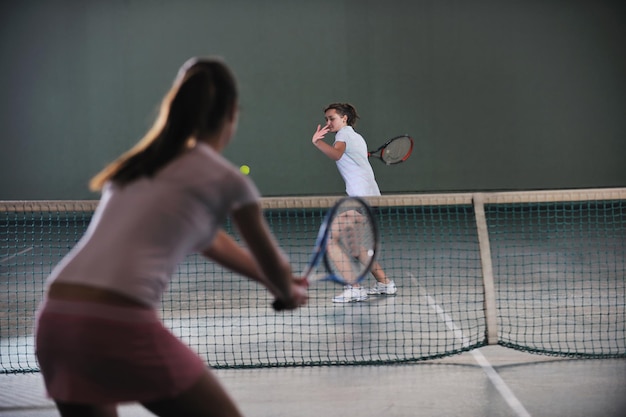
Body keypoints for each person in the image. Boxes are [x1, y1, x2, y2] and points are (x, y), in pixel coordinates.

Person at [34, 57, 308, 417]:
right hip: (117, 325)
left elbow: (210, 240)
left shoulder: (138, 165)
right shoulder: (229, 181)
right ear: (231, 113)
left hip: (57, 320)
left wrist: (273, 281)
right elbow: (275, 261)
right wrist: (286, 291)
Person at [311, 102, 397, 303]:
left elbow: (336, 154)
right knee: (355, 247)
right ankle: (385, 283)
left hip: (360, 199)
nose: (328, 123)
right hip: (371, 198)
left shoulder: (343, 136)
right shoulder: (356, 138)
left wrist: (317, 142)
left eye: (331, 118)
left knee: (328, 240)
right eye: (326, 119)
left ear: (344, 118)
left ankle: (354, 288)